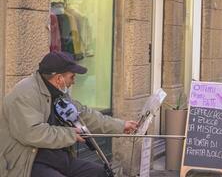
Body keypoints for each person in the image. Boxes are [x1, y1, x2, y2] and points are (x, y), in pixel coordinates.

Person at [0, 51, 138, 177]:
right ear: (59, 78)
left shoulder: (59, 92)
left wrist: (121, 125)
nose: (74, 81)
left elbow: (84, 115)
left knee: (101, 173)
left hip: (56, 157)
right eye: (72, 77)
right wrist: (70, 134)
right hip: (28, 162)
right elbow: (32, 133)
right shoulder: (25, 93)